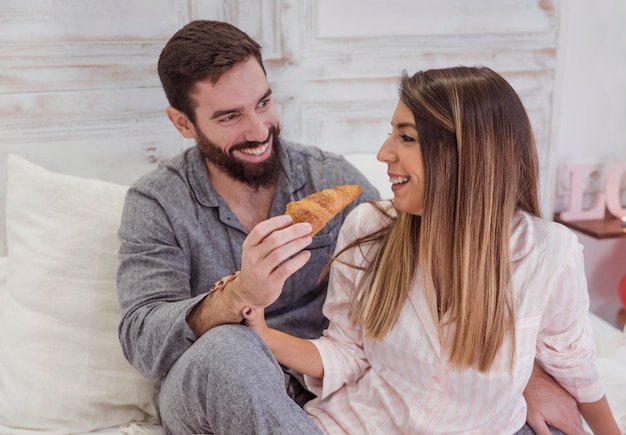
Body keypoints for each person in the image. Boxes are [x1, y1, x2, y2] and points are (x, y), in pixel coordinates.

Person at [116, 19, 585, 434]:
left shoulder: (330, 180)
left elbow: (413, 265)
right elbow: (142, 338)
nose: (259, 130)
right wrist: (237, 298)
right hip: (220, 386)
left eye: (263, 103)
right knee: (230, 351)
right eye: (230, 117)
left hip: (328, 385)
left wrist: (529, 373)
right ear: (182, 123)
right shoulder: (157, 202)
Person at [244, 67, 620, 434]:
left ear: (466, 152)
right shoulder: (369, 227)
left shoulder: (549, 253)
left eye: (406, 138)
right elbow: (348, 352)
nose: (383, 154)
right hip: (356, 423)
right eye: (390, 134)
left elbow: (574, 363)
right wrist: (259, 329)